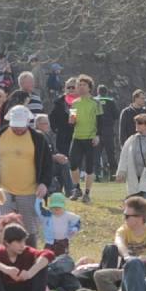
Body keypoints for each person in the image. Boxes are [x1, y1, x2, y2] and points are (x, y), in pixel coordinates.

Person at [0, 104, 52, 246]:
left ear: (27, 122)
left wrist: (44, 183)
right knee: (3, 227)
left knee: (29, 229)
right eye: (15, 126)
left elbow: (48, 164)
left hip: (29, 191)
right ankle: (4, 255)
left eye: (21, 126)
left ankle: (30, 256)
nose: (18, 129)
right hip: (3, 190)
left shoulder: (38, 138)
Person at [68, 74, 103, 204]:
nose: (81, 87)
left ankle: (87, 193)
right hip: (77, 137)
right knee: (73, 164)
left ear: (89, 88)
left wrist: (98, 136)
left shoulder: (96, 102)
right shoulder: (74, 103)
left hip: (90, 138)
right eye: (79, 85)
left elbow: (100, 121)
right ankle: (77, 189)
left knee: (89, 167)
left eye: (83, 85)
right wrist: (71, 121)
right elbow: (71, 122)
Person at [116, 113, 146, 197]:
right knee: (135, 205)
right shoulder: (132, 139)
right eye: (136, 122)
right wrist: (121, 172)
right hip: (134, 177)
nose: (137, 125)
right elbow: (124, 156)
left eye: (140, 123)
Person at [34, 113, 72, 197]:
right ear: (37, 125)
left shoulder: (47, 135)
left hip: (51, 163)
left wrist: (59, 156)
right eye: (44, 123)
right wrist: (54, 157)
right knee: (53, 166)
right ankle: (52, 190)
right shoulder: (37, 136)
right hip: (41, 167)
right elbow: (38, 156)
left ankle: (69, 191)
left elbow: (53, 151)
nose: (47, 125)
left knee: (64, 163)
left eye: (48, 123)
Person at [34, 192, 80, 256]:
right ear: (50, 207)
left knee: (62, 258)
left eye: (59, 207)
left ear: (63, 207)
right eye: (54, 207)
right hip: (50, 242)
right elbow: (38, 210)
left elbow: (77, 220)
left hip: (63, 242)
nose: (56, 210)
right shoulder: (47, 215)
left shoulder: (67, 215)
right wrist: (39, 199)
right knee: (46, 257)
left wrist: (74, 228)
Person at [49, 78, 78, 159]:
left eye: (73, 87)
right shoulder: (59, 102)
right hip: (63, 135)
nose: (71, 89)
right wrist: (56, 128)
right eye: (68, 87)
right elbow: (52, 116)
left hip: (79, 135)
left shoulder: (83, 101)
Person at [95, 84, 119, 180]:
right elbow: (116, 115)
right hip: (108, 130)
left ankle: (96, 175)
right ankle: (113, 175)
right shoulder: (111, 101)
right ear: (106, 91)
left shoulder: (94, 100)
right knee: (110, 153)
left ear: (98, 91)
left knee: (96, 154)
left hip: (96, 131)